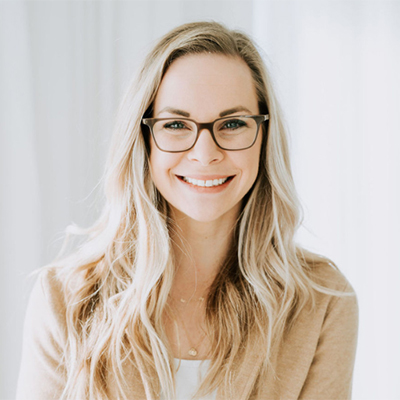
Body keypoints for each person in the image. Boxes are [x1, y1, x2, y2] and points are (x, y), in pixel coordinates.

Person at [16, 21, 358, 400]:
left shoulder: (322, 301)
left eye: (232, 123)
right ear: (143, 140)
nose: (205, 153)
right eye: (176, 124)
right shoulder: (66, 301)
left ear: (264, 136)